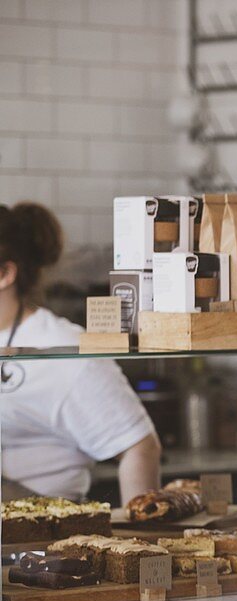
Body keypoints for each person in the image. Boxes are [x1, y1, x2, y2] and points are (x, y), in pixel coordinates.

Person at [0, 202, 161, 505]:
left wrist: (139, 545)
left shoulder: (63, 350)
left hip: (42, 537)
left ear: (5, 274)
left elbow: (139, 446)